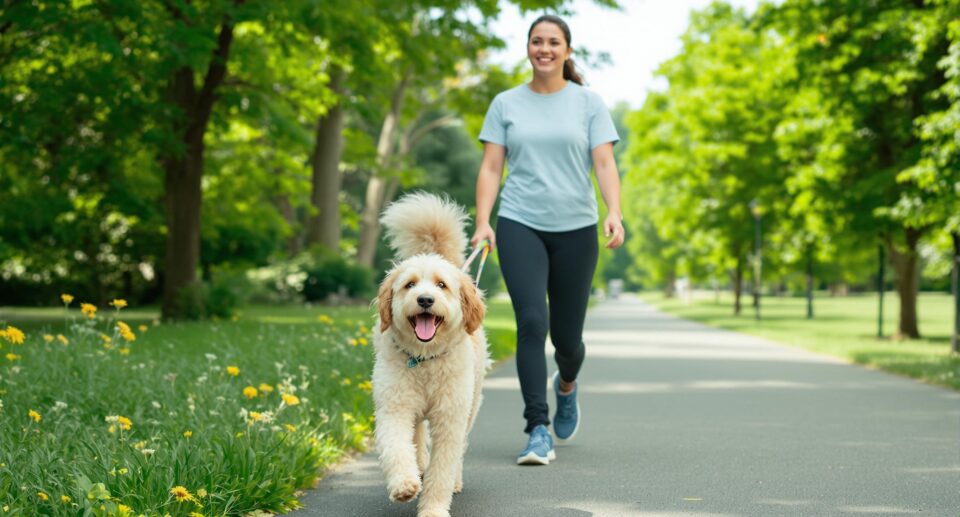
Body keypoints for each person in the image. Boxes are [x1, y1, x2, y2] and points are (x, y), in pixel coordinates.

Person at [471, 14, 624, 466]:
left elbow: (604, 163)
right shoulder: (505, 103)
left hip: (576, 229)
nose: (545, 49)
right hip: (521, 223)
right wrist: (484, 221)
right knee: (532, 323)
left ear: (567, 50)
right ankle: (537, 428)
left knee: (568, 339)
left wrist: (613, 210)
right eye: (537, 41)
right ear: (528, 48)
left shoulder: (588, 102)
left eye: (554, 42)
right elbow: (491, 168)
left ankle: (567, 386)